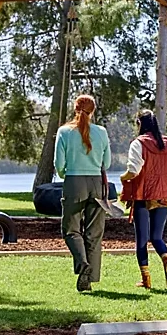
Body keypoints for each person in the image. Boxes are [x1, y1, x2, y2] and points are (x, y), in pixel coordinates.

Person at [120, 110, 167, 290]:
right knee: (156, 236)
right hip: (163, 194)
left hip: (143, 194)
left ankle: (146, 280)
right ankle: (166, 259)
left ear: (140, 123)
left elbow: (133, 170)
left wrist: (123, 178)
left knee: (142, 238)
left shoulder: (138, 143)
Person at [55, 94, 111, 292]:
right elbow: (107, 163)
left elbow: (59, 164)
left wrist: (65, 174)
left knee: (70, 229)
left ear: (75, 109)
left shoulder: (64, 132)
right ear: (93, 111)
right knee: (94, 232)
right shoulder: (101, 132)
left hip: (74, 182)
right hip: (96, 183)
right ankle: (90, 277)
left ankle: (83, 264)